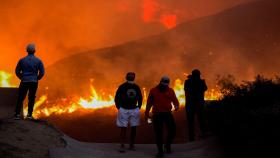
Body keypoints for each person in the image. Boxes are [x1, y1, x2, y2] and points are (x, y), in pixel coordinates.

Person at [145, 76, 179, 158]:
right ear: (160, 82)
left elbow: (175, 100)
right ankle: (160, 151)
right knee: (159, 133)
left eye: (166, 84)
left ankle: (167, 145)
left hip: (167, 114)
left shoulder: (170, 91)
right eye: (163, 84)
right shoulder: (153, 90)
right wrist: (147, 112)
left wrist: (177, 106)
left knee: (173, 130)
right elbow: (149, 102)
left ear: (168, 84)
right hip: (157, 114)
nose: (164, 86)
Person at [14, 43, 45, 120]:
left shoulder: (22, 60)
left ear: (27, 51)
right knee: (31, 98)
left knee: (20, 97)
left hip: (24, 81)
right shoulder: (38, 61)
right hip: (33, 82)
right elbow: (42, 72)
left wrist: (22, 77)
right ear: (35, 51)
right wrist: (37, 78)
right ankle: (29, 115)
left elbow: (17, 71)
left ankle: (17, 114)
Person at [115, 72, 143, 152]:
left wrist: (139, 107)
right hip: (123, 109)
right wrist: (119, 107)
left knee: (133, 128)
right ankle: (122, 144)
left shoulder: (136, 87)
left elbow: (140, 97)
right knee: (123, 128)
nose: (131, 77)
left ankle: (131, 144)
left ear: (134, 77)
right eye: (129, 76)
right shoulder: (122, 87)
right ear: (126, 77)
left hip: (134, 109)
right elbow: (117, 97)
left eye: (132, 76)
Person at [184, 69, 208, 141]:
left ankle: (191, 139)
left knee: (191, 123)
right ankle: (204, 136)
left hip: (190, 105)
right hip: (199, 105)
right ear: (199, 75)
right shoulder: (201, 82)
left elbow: (186, 89)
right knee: (201, 120)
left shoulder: (187, 82)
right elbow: (205, 88)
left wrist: (191, 79)